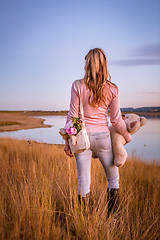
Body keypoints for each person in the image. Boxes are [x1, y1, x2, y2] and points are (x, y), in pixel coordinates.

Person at [64, 48, 132, 215]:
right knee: (113, 179)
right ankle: (113, 219)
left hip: (82, 139)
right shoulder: (112, 88)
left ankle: (87, 221)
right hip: (103, 138)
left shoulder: (77, 85)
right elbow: (116, 120)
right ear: (104, 64)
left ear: (88, 64)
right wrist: (127, 135)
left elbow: (72, 117)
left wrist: (67, 142)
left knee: (83, 182)